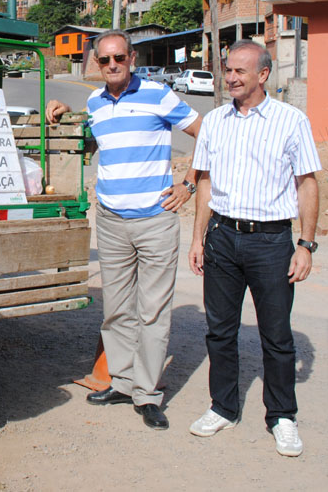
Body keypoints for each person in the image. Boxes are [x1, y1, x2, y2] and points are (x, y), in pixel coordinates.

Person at [45, 30, 201, 431]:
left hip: (154, 220)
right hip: (112, 221)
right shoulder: (96, 103)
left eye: (119, 58)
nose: (112, 65)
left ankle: (147, 395)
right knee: (116, 310)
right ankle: (123, 381)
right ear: (95, 64)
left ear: (132, 57)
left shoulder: (158, 95)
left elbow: (207, 134)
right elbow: (91, 140)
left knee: (152, 311)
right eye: (104, 60)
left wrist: (188, 185)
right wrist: (62, 109)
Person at [187, 39, 321, 457]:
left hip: (270, 242)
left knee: (277, 335)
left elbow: (307, 183)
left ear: (263, 75)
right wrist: (197, 237)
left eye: (239, 71)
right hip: (223, 238)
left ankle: (282, 416)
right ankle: (223, 407)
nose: (230, 78)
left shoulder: (291, 121)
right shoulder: (214, 122)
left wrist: (306, 245)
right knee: (220, 332)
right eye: (227, 70)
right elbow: (204, 181)